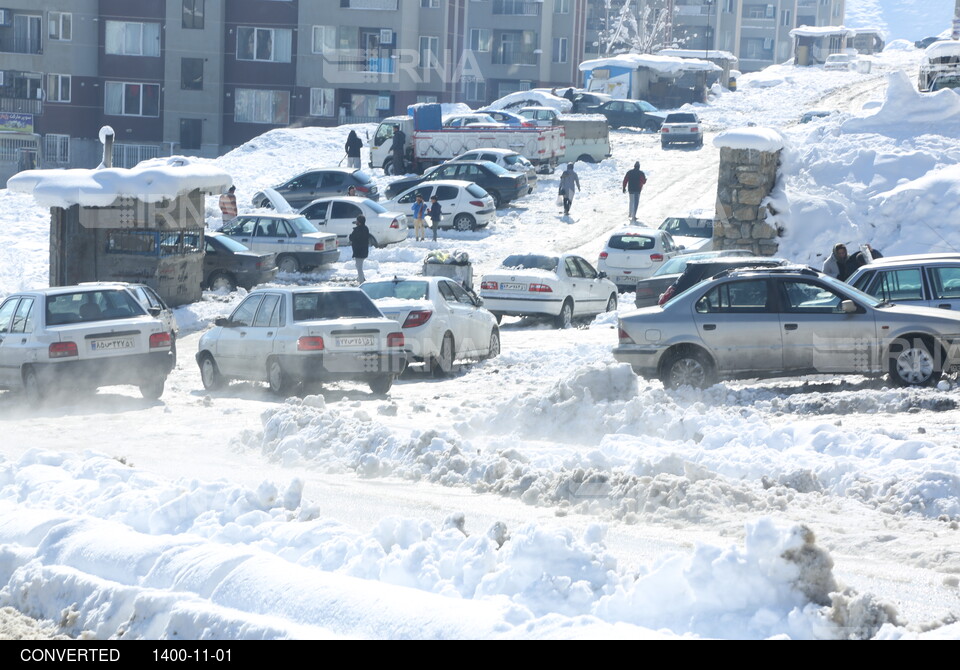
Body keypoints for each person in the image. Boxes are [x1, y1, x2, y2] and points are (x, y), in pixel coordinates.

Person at [349, 215, 370, 284]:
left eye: (357, 221)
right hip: (363, 251)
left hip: (359, 252)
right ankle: (361, 278)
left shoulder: (358, 230)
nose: (356, 222)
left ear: (359, 222)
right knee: (358, 265)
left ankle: (361, 283)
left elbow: (351, 237)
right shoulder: (365, 228)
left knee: (359, 268)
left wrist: (353, 233)